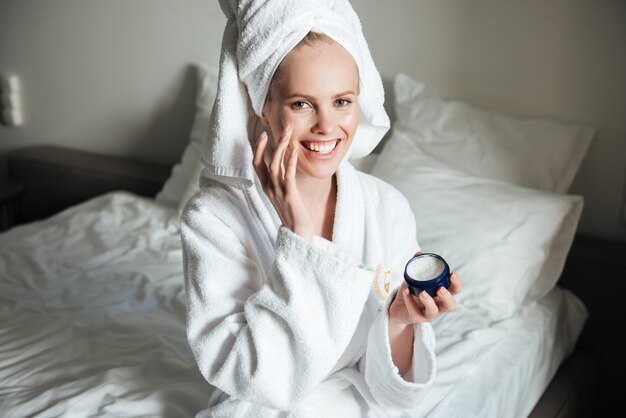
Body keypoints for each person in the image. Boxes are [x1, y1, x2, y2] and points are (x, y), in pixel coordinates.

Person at [180, 2, 461, 417]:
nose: (328, 126)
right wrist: (298, 239)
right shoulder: (211, 219)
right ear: (264, 106)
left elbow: (391, 390)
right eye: (301, 104)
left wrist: (399, 320)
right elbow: (255, 376)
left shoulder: (386, 207)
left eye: (342, 101)